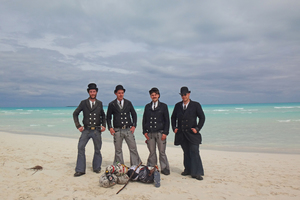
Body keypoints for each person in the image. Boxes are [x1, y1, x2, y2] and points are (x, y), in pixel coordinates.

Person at [171, 86, 205, 180]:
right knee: (186, 152)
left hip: (192, 134)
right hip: (182, 134)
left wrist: (197, 128)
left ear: (189, 94)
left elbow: (202, 117)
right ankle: (188, 169)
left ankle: (197, 172)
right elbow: (173, 117)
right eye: (182, 95)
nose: (183, 96)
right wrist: (174, 128)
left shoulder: (195, 105)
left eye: (185, 94)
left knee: (194, 151)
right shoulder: (178, 105)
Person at [73, 83, 106, 177]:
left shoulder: (99, 103)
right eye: (91, 91)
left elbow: (103, 115)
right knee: (80, 147)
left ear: (96, 92)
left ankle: (96, 167)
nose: (92, 93)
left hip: (96, 130)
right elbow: (75, 113)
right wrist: (78, 125)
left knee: (97, 149)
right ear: (88, 92)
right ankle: (80, 169)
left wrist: (104, 125)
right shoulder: (83, 103)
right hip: (86, 130)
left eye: (94, 91)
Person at [106, 85, 141, 166]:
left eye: (122, 93)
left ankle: (135, 166)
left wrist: (134, 126)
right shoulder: (112, 104)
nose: (121, 94)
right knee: (118, 150)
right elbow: (108, 117)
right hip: (117, 130)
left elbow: (134, 114)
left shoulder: (128, 103)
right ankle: (119, 166)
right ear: (115, 94)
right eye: (119, 93)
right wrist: (110, 128)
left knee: (133, 148)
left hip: (128, 129)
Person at [142, 87, 170, 175]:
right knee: (152, 151)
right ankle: (151, 167)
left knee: (162, 152)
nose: (154, 96)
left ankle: (164, 168)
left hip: (160, 133)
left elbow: (167, 120)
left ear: (158, 95)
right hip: (150, 133)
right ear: (150, 96)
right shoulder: (147, 106)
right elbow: (144, 119)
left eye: (155, 95)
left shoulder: (164, 106)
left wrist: (165, 133)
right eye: (152, 95)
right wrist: (144, 132)